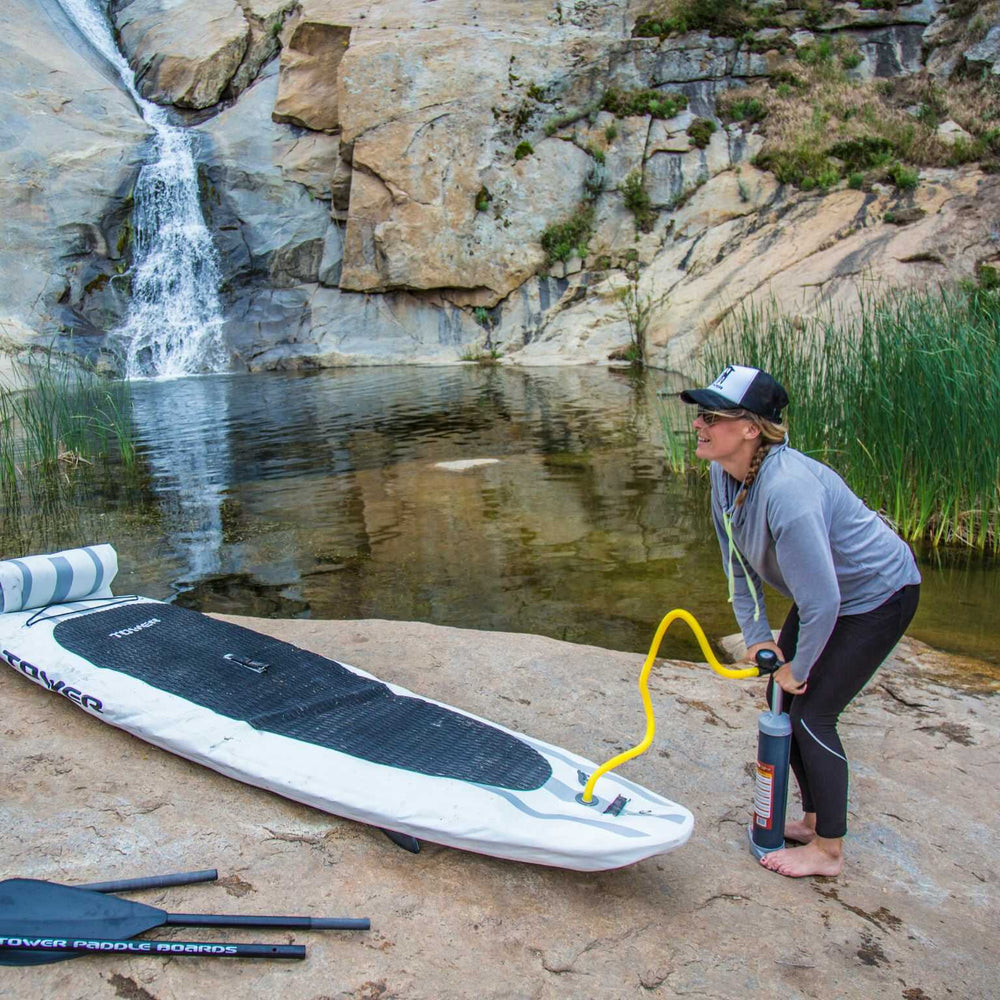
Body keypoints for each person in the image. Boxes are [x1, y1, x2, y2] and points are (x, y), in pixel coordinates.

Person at [680, 364, 921, 877]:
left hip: (879, 594)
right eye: (700, 414)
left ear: (750, 428)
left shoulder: (789, 490)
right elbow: (737, 566)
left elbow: (825, 603)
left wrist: (802, 664)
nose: (699, 425)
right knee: (781, 703)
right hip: (833, 599)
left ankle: (829, 851)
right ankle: (813, 820)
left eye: (712, 416)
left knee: (812, 716)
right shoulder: (723, 474)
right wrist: (757, 635)